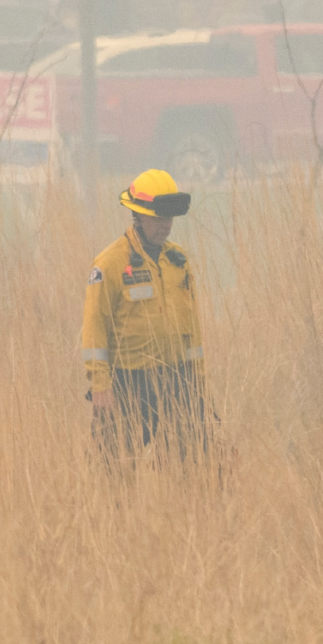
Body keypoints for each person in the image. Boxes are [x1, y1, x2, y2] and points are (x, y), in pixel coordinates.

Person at [80, 169, 208, 457]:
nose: (165, 226)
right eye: (158, 218)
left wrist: (198, 384)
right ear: (137, 216)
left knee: (197, 467)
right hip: (128, 384)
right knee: (114, 472)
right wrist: (101, 386)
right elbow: (94, 329)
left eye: (169, 218)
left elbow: (193, 331)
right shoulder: (110, 264)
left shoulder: (179, 262)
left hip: (178, 380)